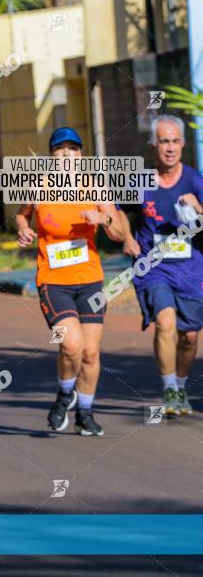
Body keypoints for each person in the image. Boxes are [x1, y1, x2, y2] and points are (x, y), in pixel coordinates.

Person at [16, 127, 125, 436]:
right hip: (53, 281)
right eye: (59, 150)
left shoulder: (95, 186)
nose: (66, 155)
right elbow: (21, 215)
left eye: (72, 150)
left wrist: (102, 218)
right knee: (71, 344)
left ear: (80, 155)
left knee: (91, 353)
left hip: (90, 280)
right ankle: (65, 395)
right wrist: (22, 229)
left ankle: (85, 414)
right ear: (52, 156)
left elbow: (118, 233)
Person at [117, 115, 203, 416]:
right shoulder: (140, 182)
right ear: (153, 146)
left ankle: (179, 387)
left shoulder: (195, 180)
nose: (170, 147)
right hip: (153, 266)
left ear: (183, 144)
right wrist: (127, 236)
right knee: (165, 320)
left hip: (191, 269)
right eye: (164, 141)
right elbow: (115, 211)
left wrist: (199, 209)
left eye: (175, 141)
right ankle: (168, 390)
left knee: (190, 336)